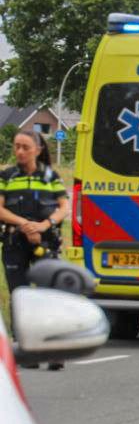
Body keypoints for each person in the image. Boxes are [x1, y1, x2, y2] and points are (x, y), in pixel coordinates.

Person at [0, 128, 70, 369]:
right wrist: (25, 225)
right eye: (16, 146)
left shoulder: (51, 177)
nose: (19, 151)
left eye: (25, 147)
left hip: (46, 243)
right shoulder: (7, 176)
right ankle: (26, 348)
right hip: (14, 242)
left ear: (38, 150)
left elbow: (63, 207)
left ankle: (52, 350)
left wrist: (43, 225)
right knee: (20, 295)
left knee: (47, 295)